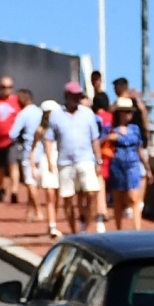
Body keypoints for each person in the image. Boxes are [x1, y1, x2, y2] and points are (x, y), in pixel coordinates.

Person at [43, 81, 104, 234]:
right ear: (67, 96)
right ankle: (74, 230)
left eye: (79, 96)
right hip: (65, 162)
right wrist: (50, 160)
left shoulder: (88, 114)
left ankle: (86, 228)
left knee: (91, 192)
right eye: (74, 95)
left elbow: (95, 138)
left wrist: (99, 160)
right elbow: (49, 138)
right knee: (68, 197)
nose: (77, 99)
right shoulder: (56, 115)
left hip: (86, 159)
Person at [104, 103, 147, 230]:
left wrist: (147, 168)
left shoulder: (135, 129)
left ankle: (137, 228)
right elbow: (99, 141)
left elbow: (139, 148)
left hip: (133, 164)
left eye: (130, 112)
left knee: (134, 197)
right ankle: (118, 228)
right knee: (118, 198)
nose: (129, 115)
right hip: (117, 164)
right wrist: (110, 137)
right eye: (126, 112)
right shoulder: (111, 129)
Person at [10, 89, 48, 228]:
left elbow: (12, 134)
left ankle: (38, 211)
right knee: (35, 182)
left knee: (30, 182)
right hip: (42, 151)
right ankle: (30, 211)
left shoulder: (23, 114)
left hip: (28, 152)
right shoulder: (40, 112)